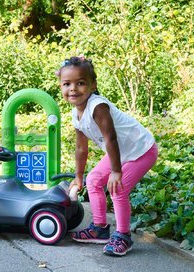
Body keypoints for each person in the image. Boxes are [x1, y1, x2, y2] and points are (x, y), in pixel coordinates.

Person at [56, 56, 158, 256]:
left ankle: (123, 236)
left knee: (117, 188)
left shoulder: (98, 107)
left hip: (141, 150)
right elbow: (81, 148)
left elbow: (110, 138)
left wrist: (116, 171)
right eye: (67, 84)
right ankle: (100, 228)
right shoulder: (76, 114)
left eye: (80, 83)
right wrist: (78, 176)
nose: (73, 89)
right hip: (122, 151)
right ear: (60, 86)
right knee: (93, 180)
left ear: (93, 85)